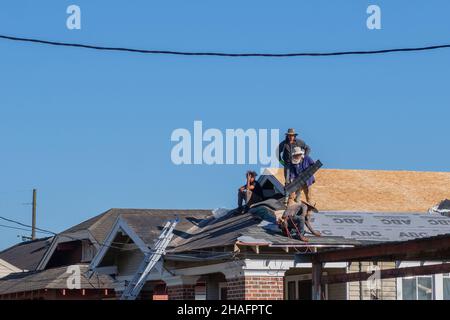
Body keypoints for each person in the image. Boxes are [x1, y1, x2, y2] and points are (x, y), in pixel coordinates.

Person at [278, 128, 311, 205]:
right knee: (287, 180)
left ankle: (297, 196)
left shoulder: (299, 142)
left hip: (297, 164)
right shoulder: (284, 144)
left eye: (292, 135)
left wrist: (304, 157)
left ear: (294, 136)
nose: (291, 137)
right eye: (289, 135)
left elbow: (308, 148)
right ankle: (286, 197)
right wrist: (282, 162)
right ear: (287, 136)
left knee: (298, 180)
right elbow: (278, 153)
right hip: (288, 164)